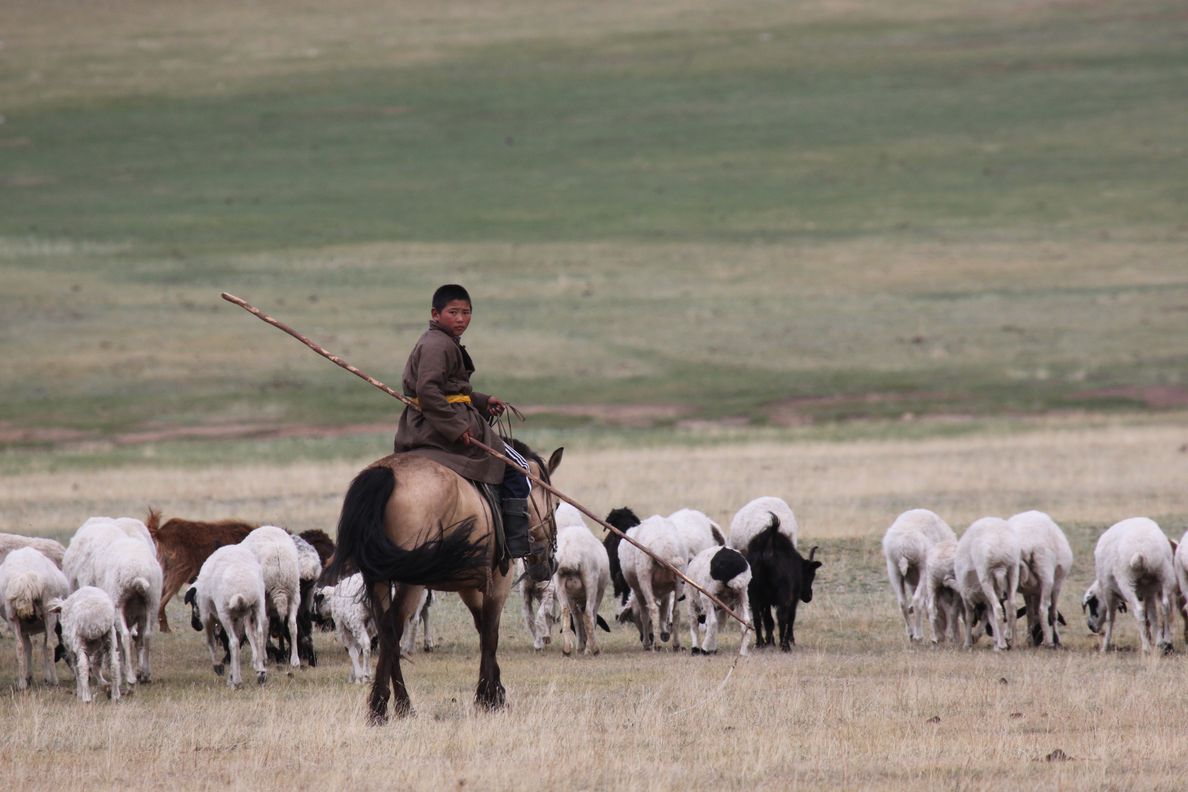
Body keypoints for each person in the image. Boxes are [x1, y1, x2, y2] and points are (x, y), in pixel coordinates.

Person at [393, 284, 534, 558]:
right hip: (438, 429)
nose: (460, 319)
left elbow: (450, 390)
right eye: (453, 312)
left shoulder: (440, 341)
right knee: (518, 466)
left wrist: (480, 401)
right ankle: (514, 542)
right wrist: (457, 428)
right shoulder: (438, 345)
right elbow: (429, 391)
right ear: (435, 313)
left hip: (428, 424)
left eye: (466, 312)